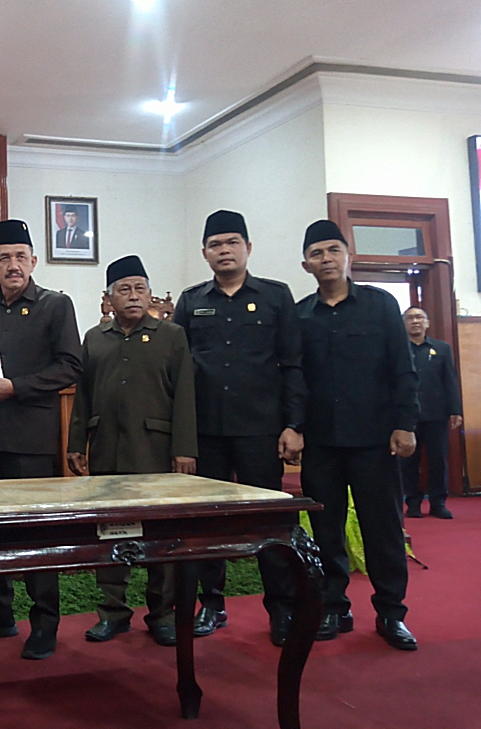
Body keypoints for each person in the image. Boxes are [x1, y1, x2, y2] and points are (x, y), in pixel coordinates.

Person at [172, 209, 307, 647]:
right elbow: (178, 372)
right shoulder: (191, 301)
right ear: (205, 253)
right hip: (207, 432)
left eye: (232, 242)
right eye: (216, 244)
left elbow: (292, 364)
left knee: (269, 523)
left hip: (260, 430)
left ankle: (281, 608)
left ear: (248, 248)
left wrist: (293, 424)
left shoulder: (275, 296)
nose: (224, 250)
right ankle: (212, 604)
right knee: (208, 524)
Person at [0, 219, 82, 660]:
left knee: (37, 533)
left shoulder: (55, 305)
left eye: (20, 257)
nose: (13, 265)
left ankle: (44, 623)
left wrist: (18, 387)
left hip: (31, 441)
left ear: (34, 261)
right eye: (4, 257)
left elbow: (71, 366)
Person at [298, 219, 419, 651]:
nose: (326, 259)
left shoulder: (380, 305)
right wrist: (294, 428)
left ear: (348, 256)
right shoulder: (300, 315)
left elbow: (402, 368)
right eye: (317, 253)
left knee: (382, 529)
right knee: (325, 531)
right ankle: (334, 607)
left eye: (334, 250)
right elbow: (294, 378)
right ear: (306, 264)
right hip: (321, 443)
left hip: (374, 440)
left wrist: (406, 423)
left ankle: (391, 613)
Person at [67, 255, 197, 647]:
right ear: (109, 298)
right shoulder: (95, 338)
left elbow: (185, 395)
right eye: (124, 289)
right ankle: (113, 613)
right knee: (109, 532)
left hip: (157, 452)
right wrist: (76, 444)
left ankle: (163, 614)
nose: (134, 296)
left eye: (140, 288)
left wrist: (184, 449)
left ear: (150, 294)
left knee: (161, 536)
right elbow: (83, 396)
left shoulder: (171, 335)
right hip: (106, 450)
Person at [399, 307, 463, 519]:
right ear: (403, 323)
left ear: (427, 323)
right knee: (408, 462)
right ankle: (413, 503)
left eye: (419, 317)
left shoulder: (441, 348)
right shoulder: (398, 349)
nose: (415, 321)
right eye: (410, 318)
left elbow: (449, 380)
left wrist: (455, 410)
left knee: (438, 460)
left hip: (436, 413)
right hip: (407, 416)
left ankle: (438, 503)